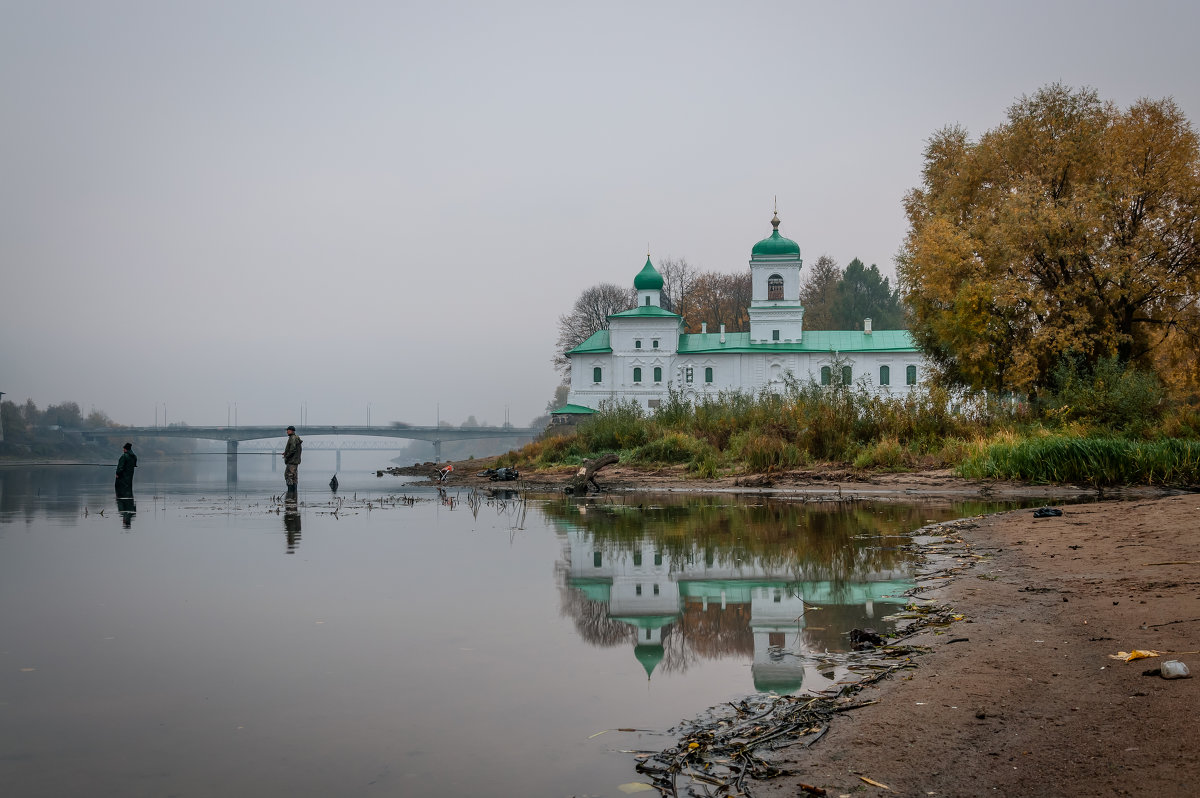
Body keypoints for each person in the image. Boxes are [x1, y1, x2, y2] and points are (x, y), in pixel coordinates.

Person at [282, 425, 302, 491]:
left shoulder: (292, 438)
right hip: (295, 461)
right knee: (294, 477)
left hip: (292, 461)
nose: (287, 431)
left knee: (288, 476)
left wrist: (286, 456)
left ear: (291, 431)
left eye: (288, 430)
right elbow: (293, 449)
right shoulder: (295, 437)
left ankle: (290, 493)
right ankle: (294, 495)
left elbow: (293, 449)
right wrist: (286, 453)